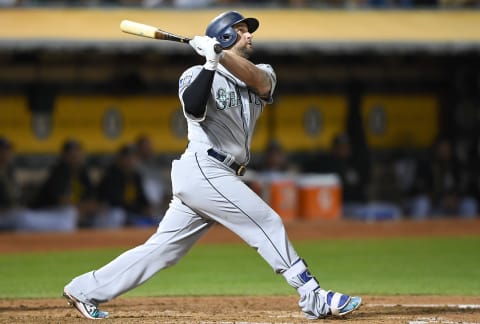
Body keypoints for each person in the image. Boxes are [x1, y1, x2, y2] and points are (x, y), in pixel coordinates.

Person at [62, 11, 361, 320]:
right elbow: (193, 108)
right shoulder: (194, 74)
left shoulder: (263, 71)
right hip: (205, 167)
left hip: (221, 174)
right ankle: (312, 295)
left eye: (248, 31)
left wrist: (219, 55)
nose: (249, 36)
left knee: (164, 250)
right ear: (225, 36)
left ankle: (84, 289)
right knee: (267, 222)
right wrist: (209, 63)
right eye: (242, 31)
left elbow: (259, 82)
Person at [25, 139, 97, 231]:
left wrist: (92, 206)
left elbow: (91, 196)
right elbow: (61, 200)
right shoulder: (59, 171)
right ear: (64, 155)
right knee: (70, 214)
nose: (75, 156)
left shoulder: (82, 172)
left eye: (78, 152)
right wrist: (82, 207)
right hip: (46, 213)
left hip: (67, 215)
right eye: (71, 153)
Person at [93, 144, 154, 227]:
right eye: (127, 157)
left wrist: (147, 208)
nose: (130, 160)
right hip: (108, 213)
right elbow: (116, 201)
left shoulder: (136, 176)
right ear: (120, 159)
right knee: (118, 214)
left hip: (130, 212)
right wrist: (140, 209)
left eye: (132, 157)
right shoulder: (111, 174)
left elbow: (142, 197)